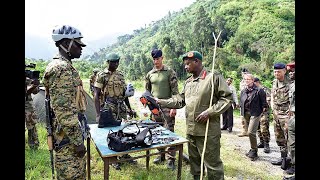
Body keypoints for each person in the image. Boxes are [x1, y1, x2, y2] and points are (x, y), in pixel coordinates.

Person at [157, 51, 233, 180]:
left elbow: (226, 99)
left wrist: (209, 112)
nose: (185, 67)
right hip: (191, 130)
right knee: (195, 164)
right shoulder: (188, 82)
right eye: (185, 65)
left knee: (213, 165)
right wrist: (160, 101)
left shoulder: (213, 77)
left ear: (197, 62)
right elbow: (180, 101)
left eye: (188, 64)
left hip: (208, 131)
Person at [43, 25, 87, 179]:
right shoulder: (61, 69)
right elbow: (64, 111)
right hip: (67, 139)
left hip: (70, 136)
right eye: (78, 44)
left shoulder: (66, 67)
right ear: (66, 43)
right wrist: (77, 142)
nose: (81, 47)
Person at [94, 52, 137, 170]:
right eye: (114, 62)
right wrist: (98, 114)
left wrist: (129, 108)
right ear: (108, 62)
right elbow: (96, 95)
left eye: (117, 62)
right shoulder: (102, 75)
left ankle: (124, 153)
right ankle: (113, 158)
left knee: (123, 131)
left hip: (121, 106)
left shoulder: (120, 75)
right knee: (110, 132)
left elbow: (125, 94)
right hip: (109, 106)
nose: (116, 64)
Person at [144, 49, 179, 170]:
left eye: (157, 59)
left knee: (169, 132)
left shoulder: (169, 72)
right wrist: (146, 104)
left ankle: (171, 159)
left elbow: (175, 91)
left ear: (162, 58)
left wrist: (174, 108)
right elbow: (147, 91)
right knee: (156, 132)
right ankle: (160, 155)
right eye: (154, 59)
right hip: (155, 108)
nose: (156, 61)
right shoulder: (150, 74)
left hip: (167, 106)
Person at [240, 74, 268, 160]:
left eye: (248, 79)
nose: (246, 81)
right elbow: (241, 100)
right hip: (246, 113)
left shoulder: (259, 90)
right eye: (245, 79)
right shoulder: (243, 91)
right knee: (251, 133)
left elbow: (264, 103)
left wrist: (262, 113)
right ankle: (252, 148)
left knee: (251, 132)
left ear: (252, 80)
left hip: (255, 113)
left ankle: (254, 151)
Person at [270, 63, 291, 170]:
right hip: (276, 114)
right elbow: (272, 96)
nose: (276, 73)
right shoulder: (274, 82)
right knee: (279, 138)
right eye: (275, 71)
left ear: (284, 71)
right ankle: (283, 158)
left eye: (278, 71)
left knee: (289, 139)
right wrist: (272, 107)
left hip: (287, 116)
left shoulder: (290, 83)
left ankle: (291, 161)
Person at [283, 62, 295, 179]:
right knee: (292, 143)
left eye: (293, 71)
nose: (291, 73)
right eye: (290, 71)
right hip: (292, 117)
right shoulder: (292, 85)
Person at [254, 77, 271, 153]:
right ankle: (261, 142)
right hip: (256, 111)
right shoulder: (254, 89)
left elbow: (269, 99)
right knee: (257, 127)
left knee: (264, 127)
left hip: (264, 111)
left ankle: (266, 144)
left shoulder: (264, 89)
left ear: (257, 82)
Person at [25, 75, 40, 149]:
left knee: (32, 125)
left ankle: (33, 145)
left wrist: (35, 85)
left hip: (28, 104)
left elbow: (36, 92)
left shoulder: (28, 80)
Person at [238, 68, 249, 137]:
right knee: (242, 117)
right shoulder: (241, 82)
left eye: (246, 73)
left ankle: (250, 132)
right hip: (243, 101)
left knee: (250, 117)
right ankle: (244, 131)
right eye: (243, 73)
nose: (244, 75)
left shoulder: (250, 81)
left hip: (249, 101)